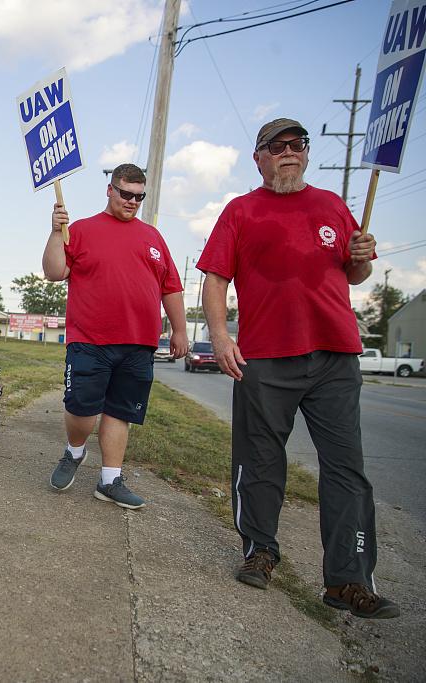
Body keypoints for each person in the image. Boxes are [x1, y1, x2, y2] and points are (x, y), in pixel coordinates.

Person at [198, 118, 399, 619]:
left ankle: (348, 581)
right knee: (260, 459)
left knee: (346, 468)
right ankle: (260, 552)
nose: (290, 152)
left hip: (334, 353)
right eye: (278, 146)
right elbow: (216, 279)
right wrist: (221, 337)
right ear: (259, 157)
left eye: (298, 145)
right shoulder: (240, 211)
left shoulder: (331, 205)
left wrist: (362, 258)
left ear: (306, 154)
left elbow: (355, 272)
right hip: (265, 356)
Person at [43, 163, 188, 508]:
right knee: (81, 408)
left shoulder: (152, 237)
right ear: (110, 189)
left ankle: (110, 480)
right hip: (90, 339)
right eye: (126, 194)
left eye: (139, 197)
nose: (132, 201)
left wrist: (180, 329)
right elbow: (53, 271)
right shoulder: (81, 230)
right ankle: (74, 452)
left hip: (139, 343)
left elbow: (170, 287)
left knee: (120, 412)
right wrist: (54, 231)